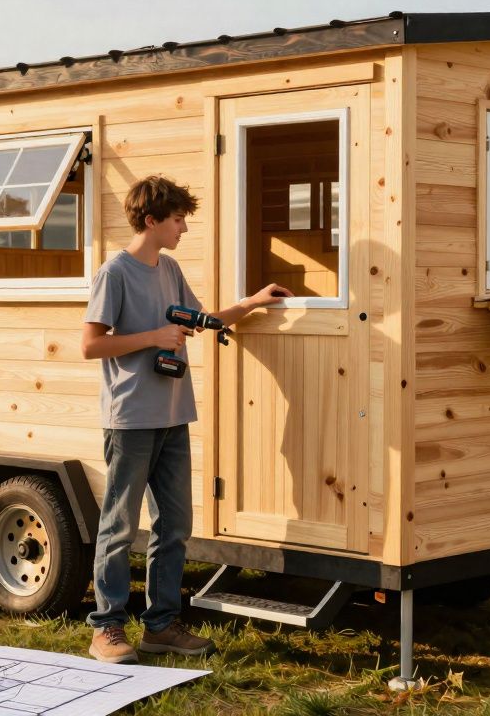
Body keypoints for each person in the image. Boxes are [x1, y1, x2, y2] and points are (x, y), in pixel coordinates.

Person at [80, 175, 293, 663]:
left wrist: (253, 302)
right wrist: (153, 336)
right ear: (152, 221)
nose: (184, 228)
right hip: (130, 417)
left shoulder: (169, 269)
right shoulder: (115, 273)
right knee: (118, 525)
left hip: (174, 415)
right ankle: (107, 629)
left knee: (174, 525)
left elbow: (202, 320)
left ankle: (161, 626)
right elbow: (91, 344)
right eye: (178, 219)